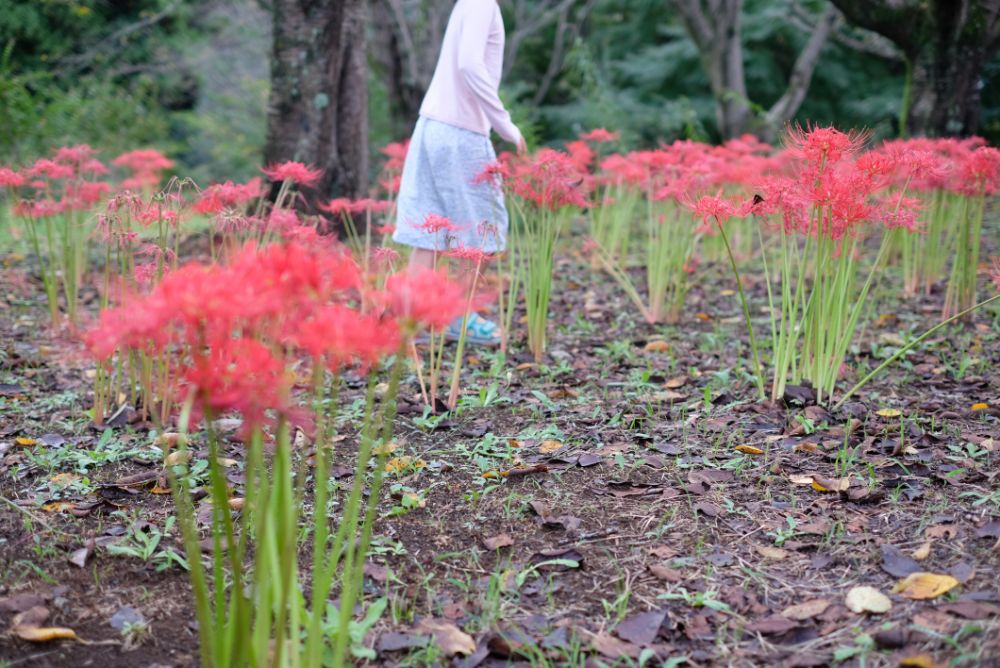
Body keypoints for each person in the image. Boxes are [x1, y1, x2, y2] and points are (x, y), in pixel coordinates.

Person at [392, 0, 526, 345]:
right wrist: (504, 123)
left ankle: (410, 318)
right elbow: (469, 64)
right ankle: (458, 315)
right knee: (483, 226)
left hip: (431, 126)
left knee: (430, 228)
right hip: (461, 133)